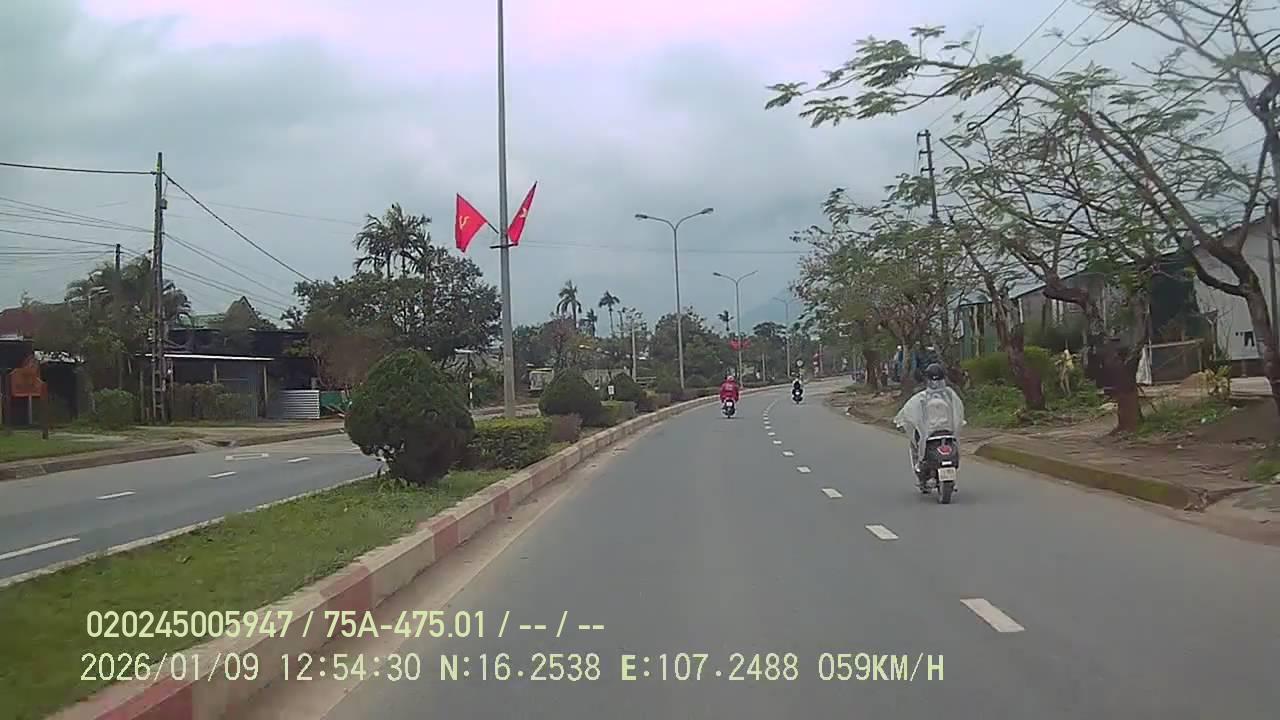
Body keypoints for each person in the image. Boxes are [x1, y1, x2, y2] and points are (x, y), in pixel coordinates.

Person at [894, 362, 965, 470]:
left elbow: (908, 412)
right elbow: (958, 412)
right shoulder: (950, 394)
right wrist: (958, 424)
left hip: (928, 433)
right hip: (948, 431)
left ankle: (920, 464)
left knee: (917, 443)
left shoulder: (921, 396)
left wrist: (901, 422)